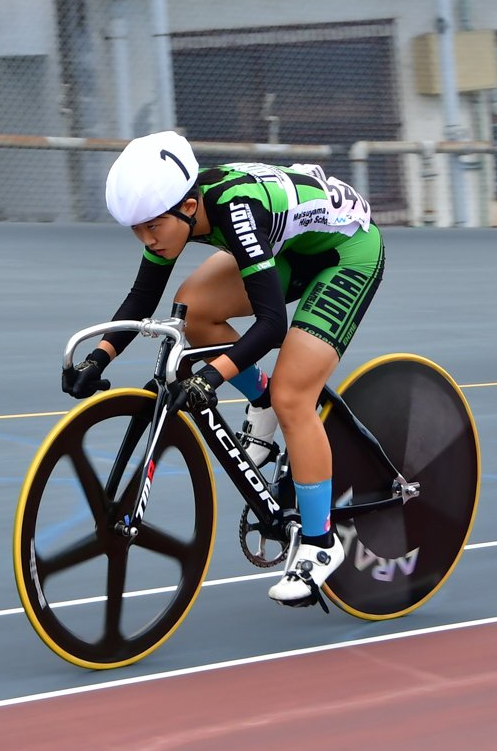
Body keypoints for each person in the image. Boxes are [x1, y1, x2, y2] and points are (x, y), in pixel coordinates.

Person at [64, 132, 383, 605]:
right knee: (190, 310)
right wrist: (100, 357)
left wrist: (211, 376)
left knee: (294, 395)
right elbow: (143, 298)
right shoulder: (174, 211)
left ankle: (320, 544)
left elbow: (272, 325)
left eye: (152, 226)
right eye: (136, 230)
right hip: (290, 246)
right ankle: (263, 404)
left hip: (347, 255)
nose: (147, 239)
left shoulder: (236, 211)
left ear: (188, 208)